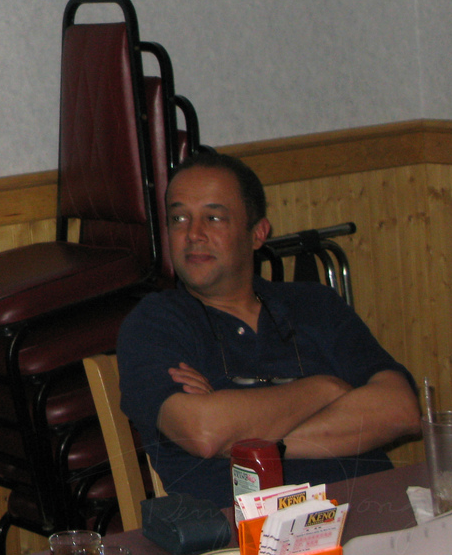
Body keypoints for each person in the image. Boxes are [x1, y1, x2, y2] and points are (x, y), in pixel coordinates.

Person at [116, 149, 420, 507]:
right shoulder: (156, 323)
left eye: (213, 218)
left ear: (258, 233)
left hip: (371, 511)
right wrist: (327, 389)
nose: (193, 234)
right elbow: (205, 431)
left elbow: (401, 410)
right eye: (179, 218)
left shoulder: (315, 304)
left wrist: (249, 440)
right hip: (245, 530)